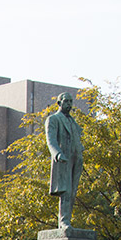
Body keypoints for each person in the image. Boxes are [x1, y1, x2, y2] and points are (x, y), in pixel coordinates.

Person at [45, 91, 84, 230]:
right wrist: (57, 154)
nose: (69, 104)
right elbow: (51, 140)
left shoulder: (73, 121)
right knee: (65, 191)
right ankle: (64, 221)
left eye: (70, 101)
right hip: (63, 159)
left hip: (76, 158)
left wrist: (81, 150)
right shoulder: (53, 119)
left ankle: (68, 219)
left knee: (72, 192)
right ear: (59, 103)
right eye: (66, 101)